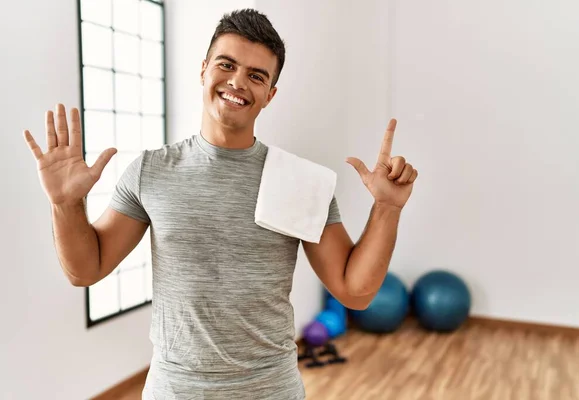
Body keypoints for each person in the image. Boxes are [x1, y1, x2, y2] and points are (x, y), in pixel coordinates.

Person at [23, 8, 418, 400]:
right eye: (226, 65)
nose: (237, 82)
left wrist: (388, 208)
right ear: (203, 69)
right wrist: (66, 204)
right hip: (174, 391)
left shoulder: (301, 182)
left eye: (256, 75)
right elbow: (86, 269)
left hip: (271, 391)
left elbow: (355, 292)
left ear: (270, 94)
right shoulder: (150, 171)